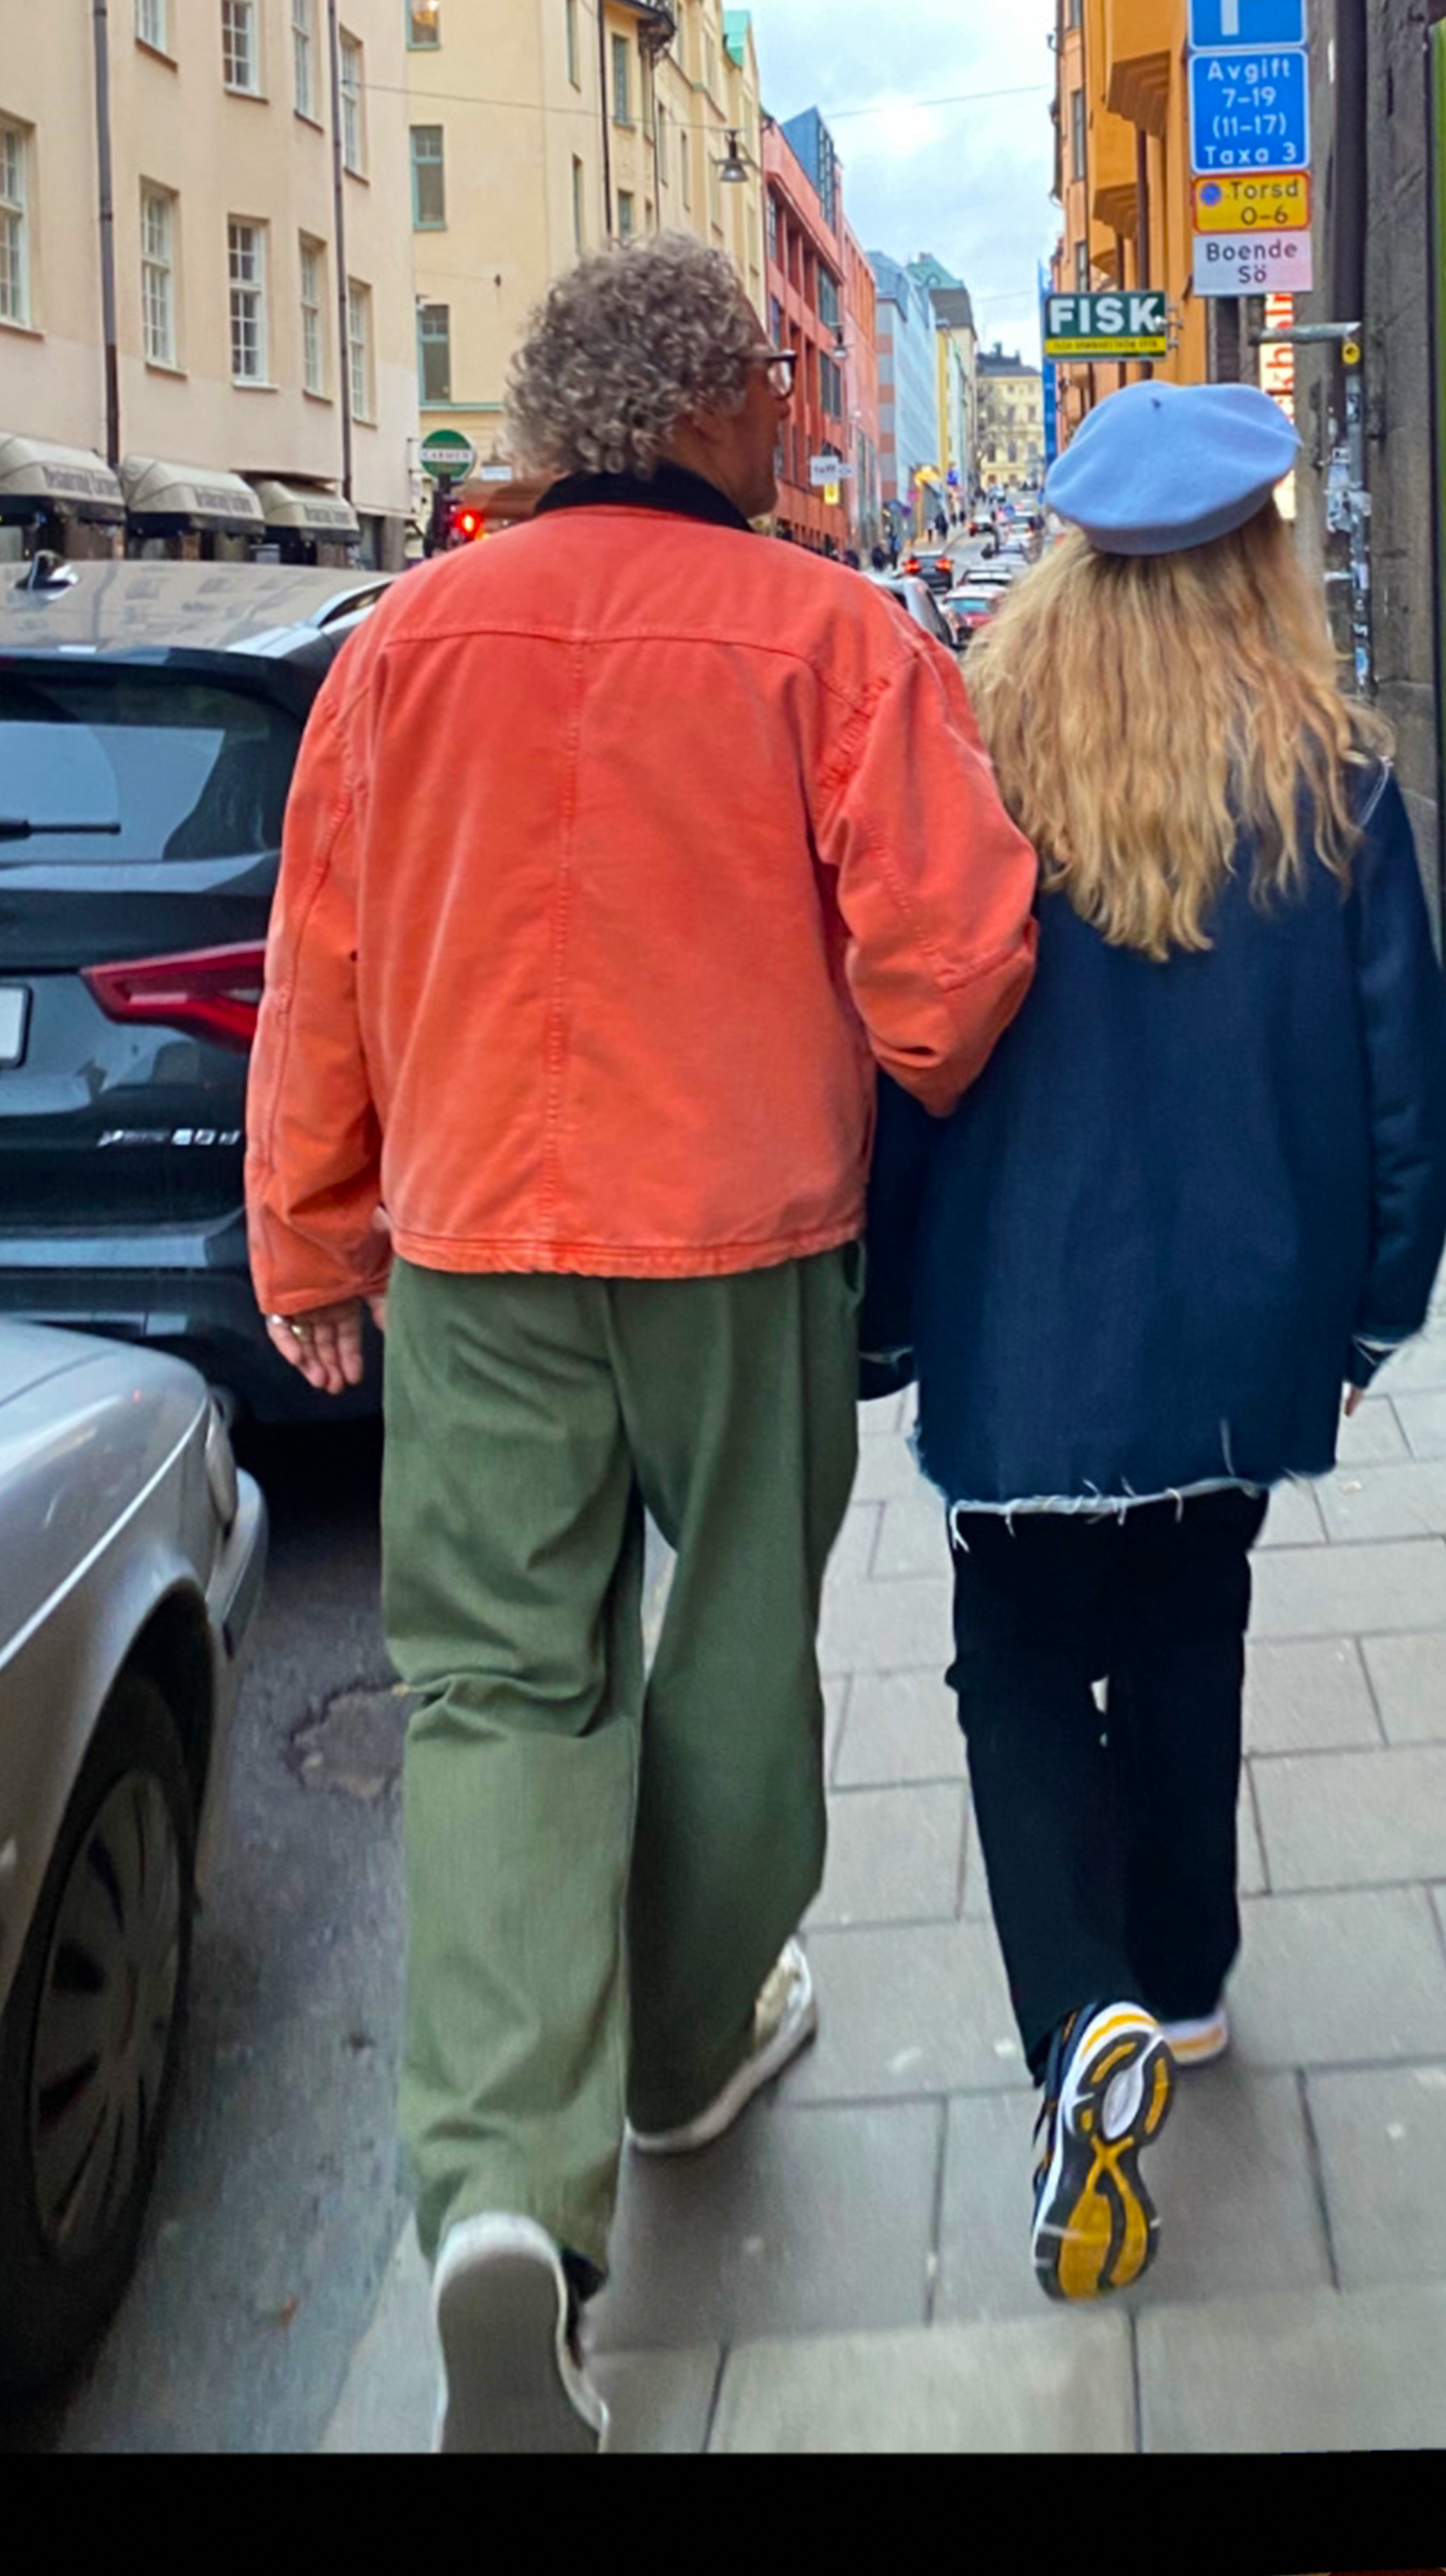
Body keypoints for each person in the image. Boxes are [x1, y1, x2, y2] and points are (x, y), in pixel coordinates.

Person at [245, 234, 1039, 2451]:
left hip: (480, 1236)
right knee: (728, 1654)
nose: (802, 423)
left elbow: (320, 962)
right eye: (782, 392)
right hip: (745, 1230)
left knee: (499, 1683)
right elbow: (956, 968)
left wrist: (313, 1234)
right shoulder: (831, 635)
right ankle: (690, 2051)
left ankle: (506, 2201)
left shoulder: (400, 647)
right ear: (717, 414)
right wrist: (905, 1066)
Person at [861, 381, 1446, 2306]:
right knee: (1194, 1623)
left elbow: (894, 1043)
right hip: (1245, 1314)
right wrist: (1378, 1298)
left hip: (1020, 1320)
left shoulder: (977, 762)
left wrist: (878, 1302)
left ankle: (1078, 2022)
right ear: (1259, 563)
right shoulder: (1334, 781)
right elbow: (1405, 1086)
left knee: (1016, 1660)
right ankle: (1183, 1984)